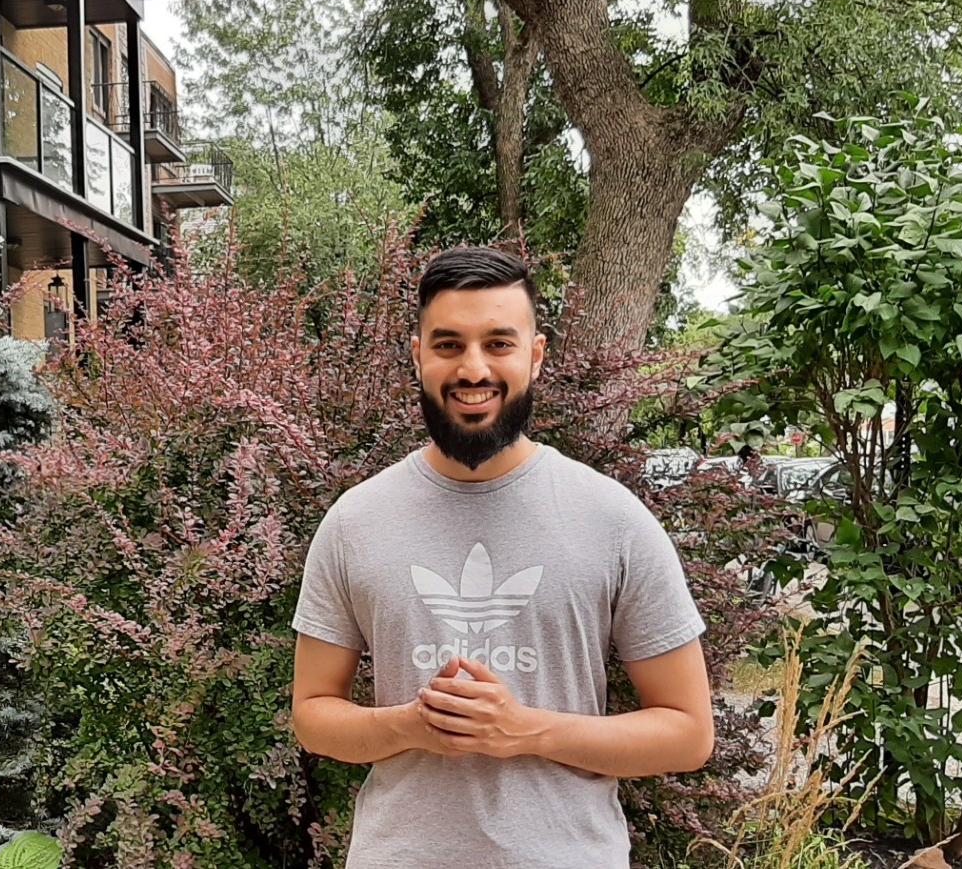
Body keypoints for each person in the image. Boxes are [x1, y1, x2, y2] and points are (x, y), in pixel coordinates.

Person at [291, 246, 714, 868]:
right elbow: (313, 714)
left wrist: (525, 730)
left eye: (498, 343)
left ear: (535, 355)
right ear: (417, 356)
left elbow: (687, 733)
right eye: (448, 345)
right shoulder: (356, 521)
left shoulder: (612, 518)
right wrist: (410, 726)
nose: (472, 368)